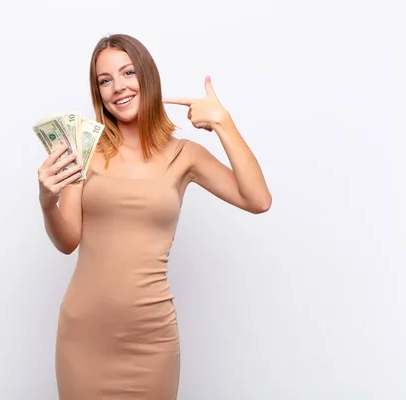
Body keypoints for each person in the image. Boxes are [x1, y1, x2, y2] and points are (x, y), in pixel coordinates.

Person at [36, 33, 272, 399]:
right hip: (85, 337)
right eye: (105, 80)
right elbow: (68, 241)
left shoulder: (185, 155)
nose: (118, 87)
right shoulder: (83, 149)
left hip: (152, 341)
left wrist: (224, 123)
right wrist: (46, 202)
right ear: (98, 92)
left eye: (128, 72)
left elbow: (258, 200)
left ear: (147, 75)